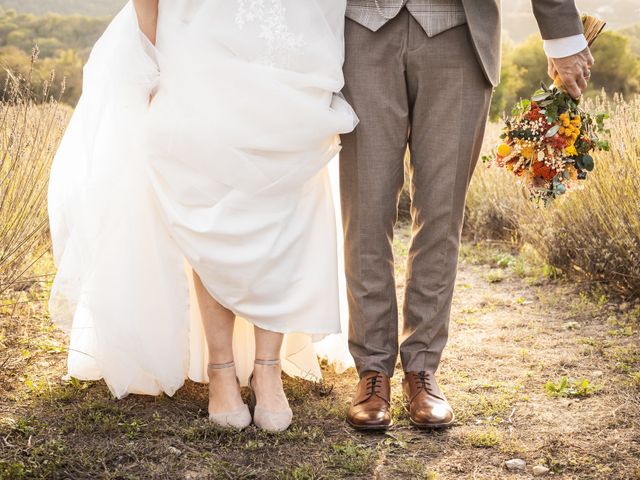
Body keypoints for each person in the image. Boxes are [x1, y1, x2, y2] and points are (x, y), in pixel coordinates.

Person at [48, 0, 356, 432]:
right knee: (206, 196)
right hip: (197, 40)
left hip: (289, 41)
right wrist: (149, 56)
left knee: (287, 193)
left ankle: (267, 368)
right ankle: (221, 367)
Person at [340, 0, 594, 430]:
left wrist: (563, 37)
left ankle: (422, 368)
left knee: (442, 211)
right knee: (365, 209)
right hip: (362, 28)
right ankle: (373, 369)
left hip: (458, 31)